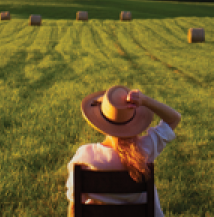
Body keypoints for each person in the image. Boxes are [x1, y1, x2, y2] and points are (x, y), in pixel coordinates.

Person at [66, 85, 181, 217]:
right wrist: (145, 101)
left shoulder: (85, 156)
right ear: (134, 119)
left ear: (101, 122)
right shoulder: (146, 149)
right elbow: (174, 118)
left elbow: (74, 205)